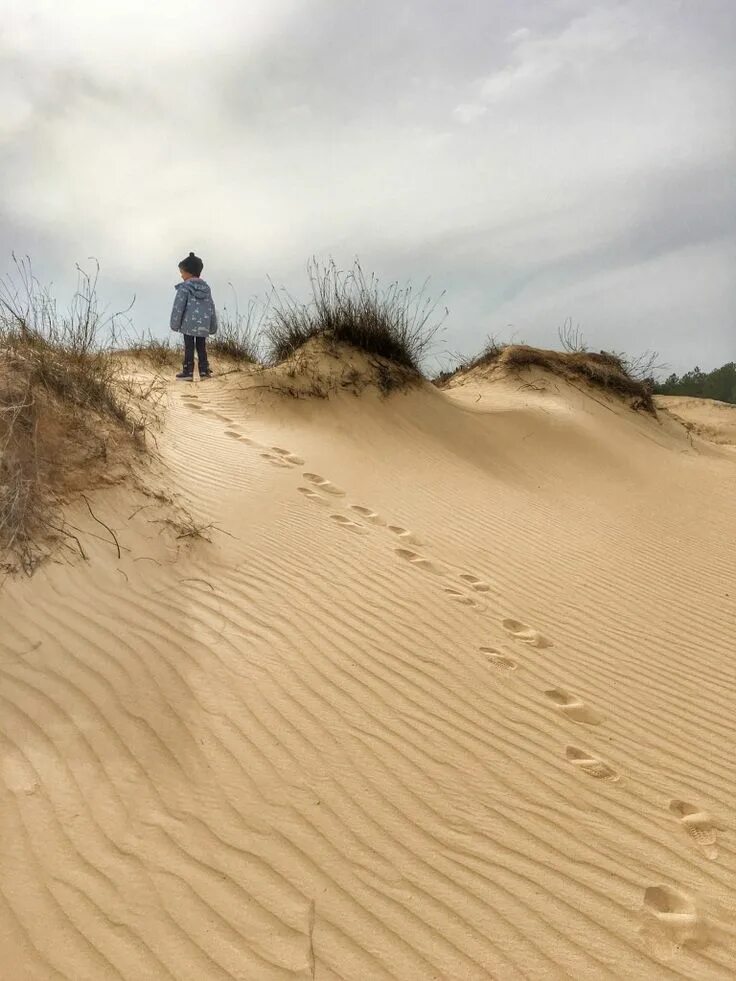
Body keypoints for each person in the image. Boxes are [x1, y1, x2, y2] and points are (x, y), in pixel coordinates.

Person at [170, 251, 218, 379]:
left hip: (188, 324)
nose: (181, 276)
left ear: (189, 272)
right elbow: (211, 307)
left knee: (189, 347)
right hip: (203, 324)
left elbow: (178, 307)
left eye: (182, 272)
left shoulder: (184, 288)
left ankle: (188, 372)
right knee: (201, 347)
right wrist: (213, 326)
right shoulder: (206, 288)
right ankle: (204, 371)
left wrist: (175, 324)